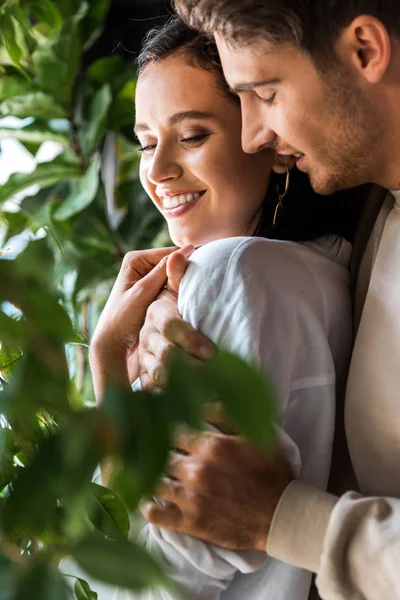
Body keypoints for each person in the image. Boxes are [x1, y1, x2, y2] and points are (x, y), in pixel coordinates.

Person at [86, 16, 363, 600]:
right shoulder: (327, 269)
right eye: (145, 141)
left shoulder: (237, 271)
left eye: (191, 136)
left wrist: (109, 368)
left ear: (270, 138)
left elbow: (153, 579)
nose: (157, 171)